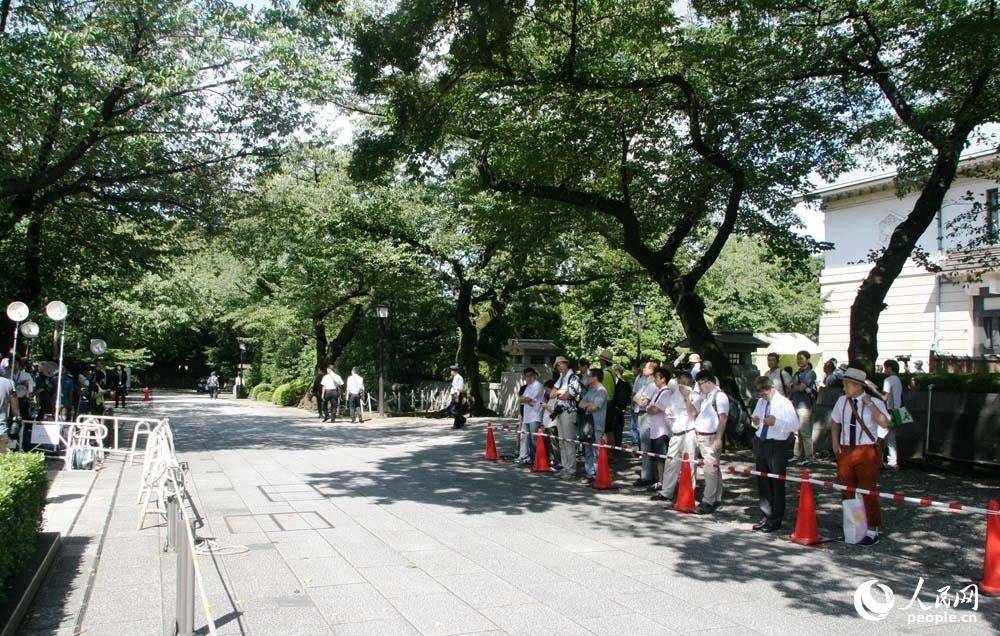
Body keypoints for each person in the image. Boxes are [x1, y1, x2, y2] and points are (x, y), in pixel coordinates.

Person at [830, 367, 891, 546]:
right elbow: (834, 422)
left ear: (857, 386)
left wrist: (869, 404)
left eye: (847, 384)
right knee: (846, 489)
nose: (844, 387)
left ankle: (872, 529)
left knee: (868, 489)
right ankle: (852, 527)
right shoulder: (841, 401)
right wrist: (835, 442)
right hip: (846, 448)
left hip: (865, 449)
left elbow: (885, 423)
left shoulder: (874, 402)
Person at [750, 375, 800, 532]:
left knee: (777, 482)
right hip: (761, 441)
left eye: (764, 393)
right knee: (762, 480)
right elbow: (754, 421)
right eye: (760, 395)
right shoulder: (761, 401)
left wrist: (776, 422)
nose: (762, 397)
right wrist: (755, 421)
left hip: (777, 444)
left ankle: (776, 519)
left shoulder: (784, 403)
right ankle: (766, 514)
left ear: (772, 388)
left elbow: (794, 425)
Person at [653, 371, 696, 502]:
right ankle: (667, 492)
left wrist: (686, 397)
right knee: (671, 462)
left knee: (689, 464)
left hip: (689, 431)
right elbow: (670, 410)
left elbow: (694, 413)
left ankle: (689, 492)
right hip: (676, 432)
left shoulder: (693, 394)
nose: (682, 385)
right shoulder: (674, 394)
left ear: (689, 383)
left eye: (685, 383)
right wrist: (669, 415)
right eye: (680, 382)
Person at [692, 370, 727, 514]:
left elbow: (723, 418)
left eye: (701, 384)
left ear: (709, 382)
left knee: (710, 470)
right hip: (702, 435)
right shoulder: (706, 396)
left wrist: (718, 438)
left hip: (711, 436)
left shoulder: (719, 396)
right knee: (714, 468)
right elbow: (694, 412)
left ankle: (708, 500)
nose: (699, 387)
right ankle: (716, 497)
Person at [550, 356, 581, 480]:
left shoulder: (573, 377)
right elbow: (552, 394)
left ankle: (571, 470)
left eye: (560, 364)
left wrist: (559, 393)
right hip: (560, 412)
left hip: (569, 412)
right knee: (562, 442)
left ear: (566, 364)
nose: (558, 367)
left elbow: (569, 395)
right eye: (557, 365)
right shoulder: (561, 378)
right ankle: (565, 467)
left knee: (568, 441)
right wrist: (560, 393)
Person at [645, 367, 674, 490]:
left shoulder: (666, 393)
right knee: (658, 458)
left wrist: (648, 408)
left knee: (663, 458)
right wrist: (649, 408)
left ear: (663, 379)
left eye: (657, 377)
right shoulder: (658, 391)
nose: (654, 380)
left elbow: (653, 409)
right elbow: (649, 407)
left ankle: (665, 483)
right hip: (655, 430)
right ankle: (660, 481)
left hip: (662, 431)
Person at [632, 360, 659, 487]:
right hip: (642, 414)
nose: (643, 369)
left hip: (646, 415)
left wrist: (639, 398)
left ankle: (647, 476)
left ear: (652, 370)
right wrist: (639, 398)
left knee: (646, 446)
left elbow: (642, 402)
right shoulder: (646, 382)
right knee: (646, 445)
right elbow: (636, 397)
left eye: (646, 367)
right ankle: (650, 475)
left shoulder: (652, 384)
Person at [789, 350, 817, 466]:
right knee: (797, 432)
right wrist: (797, 387)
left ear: (807, 359)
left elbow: (799, 388)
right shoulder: (797, 373)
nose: (799, 360)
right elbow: (791, 388)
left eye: (801, 358)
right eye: (798, 358)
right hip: (796, 404)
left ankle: (809, 457)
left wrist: (795, 387)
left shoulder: (810, 373)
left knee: (805, 432)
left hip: (805, 406)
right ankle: (797, 455)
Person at [580, 369, 608, 481]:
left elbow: (595, 407)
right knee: (588, 449)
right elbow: (580, 404)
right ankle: (589, 474)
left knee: (597, 450)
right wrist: (588, 404)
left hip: (597, 424)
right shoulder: (590, 390)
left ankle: (598, 474)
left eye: (589, 376)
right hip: (588, 424)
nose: (587, 378)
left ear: (595, 377)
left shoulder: (601, 391)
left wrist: (587, 405)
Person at [876, 359, 902, 470]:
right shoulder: (898, 380)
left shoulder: (888, 380)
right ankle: (893, 462)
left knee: (879, 437)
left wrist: (873, 389)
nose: (884, 370)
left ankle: (877, 462)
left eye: (885, 368)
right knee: (891, 438)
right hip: (898, 411)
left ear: (890, 368)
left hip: (889, 412)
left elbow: (884, 397)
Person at [517, 368, 545, 464]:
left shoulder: (538, 385)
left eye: (530, 375)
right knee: (528, 438)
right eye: (526, 376)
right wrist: (527, 400)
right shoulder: (527, 386)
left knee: (534, 439)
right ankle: (532, 459)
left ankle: (538, 460)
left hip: (535, 416)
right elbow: (520, 399)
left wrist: (526, 400)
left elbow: (528, 399)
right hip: (527, 416)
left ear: (534, 375)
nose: (528, 378)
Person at [598, 350, 618, 445]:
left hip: (605, 403)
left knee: (605, 429)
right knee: (609, 429)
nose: (599, 361)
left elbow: (600, 390)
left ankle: (606, 452)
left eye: (600, 359)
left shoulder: (605, 374)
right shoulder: (612, 372)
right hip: (611, 403)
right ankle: (611, 451)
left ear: (603, 361)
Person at [610, 364, 630, 450]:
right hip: (620, 409)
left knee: (616, 429)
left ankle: (616, 447)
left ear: (617, 372)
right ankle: (617, 445)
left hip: (617, 408)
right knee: (617, 429)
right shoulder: (626, 384)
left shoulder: (621, 384)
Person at [0, 373, 21, 454]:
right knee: (2, 462)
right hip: (1, 430)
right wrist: (17, 420)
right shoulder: (8, 383)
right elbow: (15, 410)